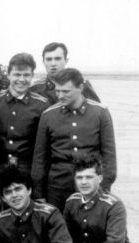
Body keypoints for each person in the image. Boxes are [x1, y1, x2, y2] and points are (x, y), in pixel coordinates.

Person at [31, 68, 117, 212]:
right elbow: (40, 158)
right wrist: (39, 193)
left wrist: (103, 187)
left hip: (91, 186)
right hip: (57, 188)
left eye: (66, 91)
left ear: (80, 88)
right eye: (57, 91)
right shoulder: (48, 115)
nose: (60, 95)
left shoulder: (100, 113)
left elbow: (109, 155)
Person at [0, 53, 50, 196]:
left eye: (26, 75)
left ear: (32, 76)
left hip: (26, 173)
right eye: (17, 74)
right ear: (8, 75)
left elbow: (44, 147)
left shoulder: (41, 105)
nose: (21, 79)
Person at [31, 42, 100, 104]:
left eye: (58, 59)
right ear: (43, 62)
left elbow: (96, 111)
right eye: (49, 59)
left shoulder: (80, 85)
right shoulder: (35, 88)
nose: (53, 63)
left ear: (66, 61)